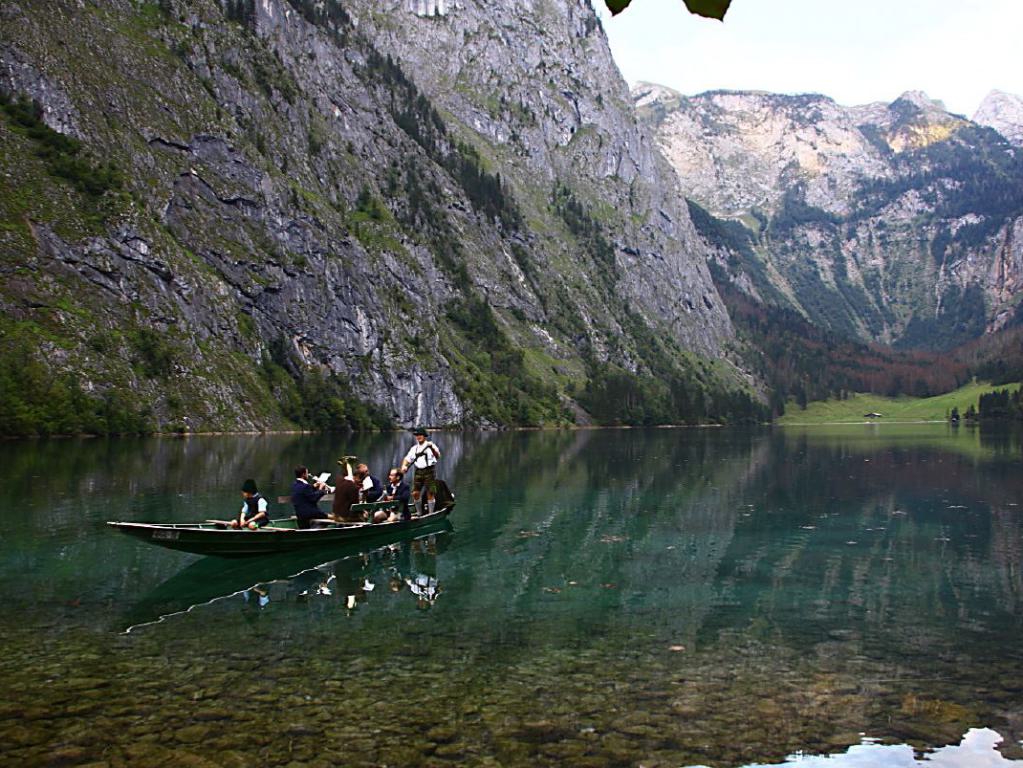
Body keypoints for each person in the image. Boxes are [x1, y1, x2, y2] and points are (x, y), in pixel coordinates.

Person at [400, 427, 441, 515]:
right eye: (417, 435)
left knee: (430, 492)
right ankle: (419, 512)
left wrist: (432, 448)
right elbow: (407, 459)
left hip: (429, 471)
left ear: (424, 436)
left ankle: (430, 513)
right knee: (415, 493)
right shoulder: (414, 448)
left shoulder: (431, 445)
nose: (418, 437)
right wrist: (404, 465)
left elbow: (437, 456)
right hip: (418, 472)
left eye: (420, 435)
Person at [331, 457, 363, 523]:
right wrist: (362, 512)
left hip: (335, 514)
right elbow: (355, 506)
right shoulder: (353, 486)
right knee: (365, 517)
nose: (359, 480)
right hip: (345, 517)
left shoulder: (338, 481)